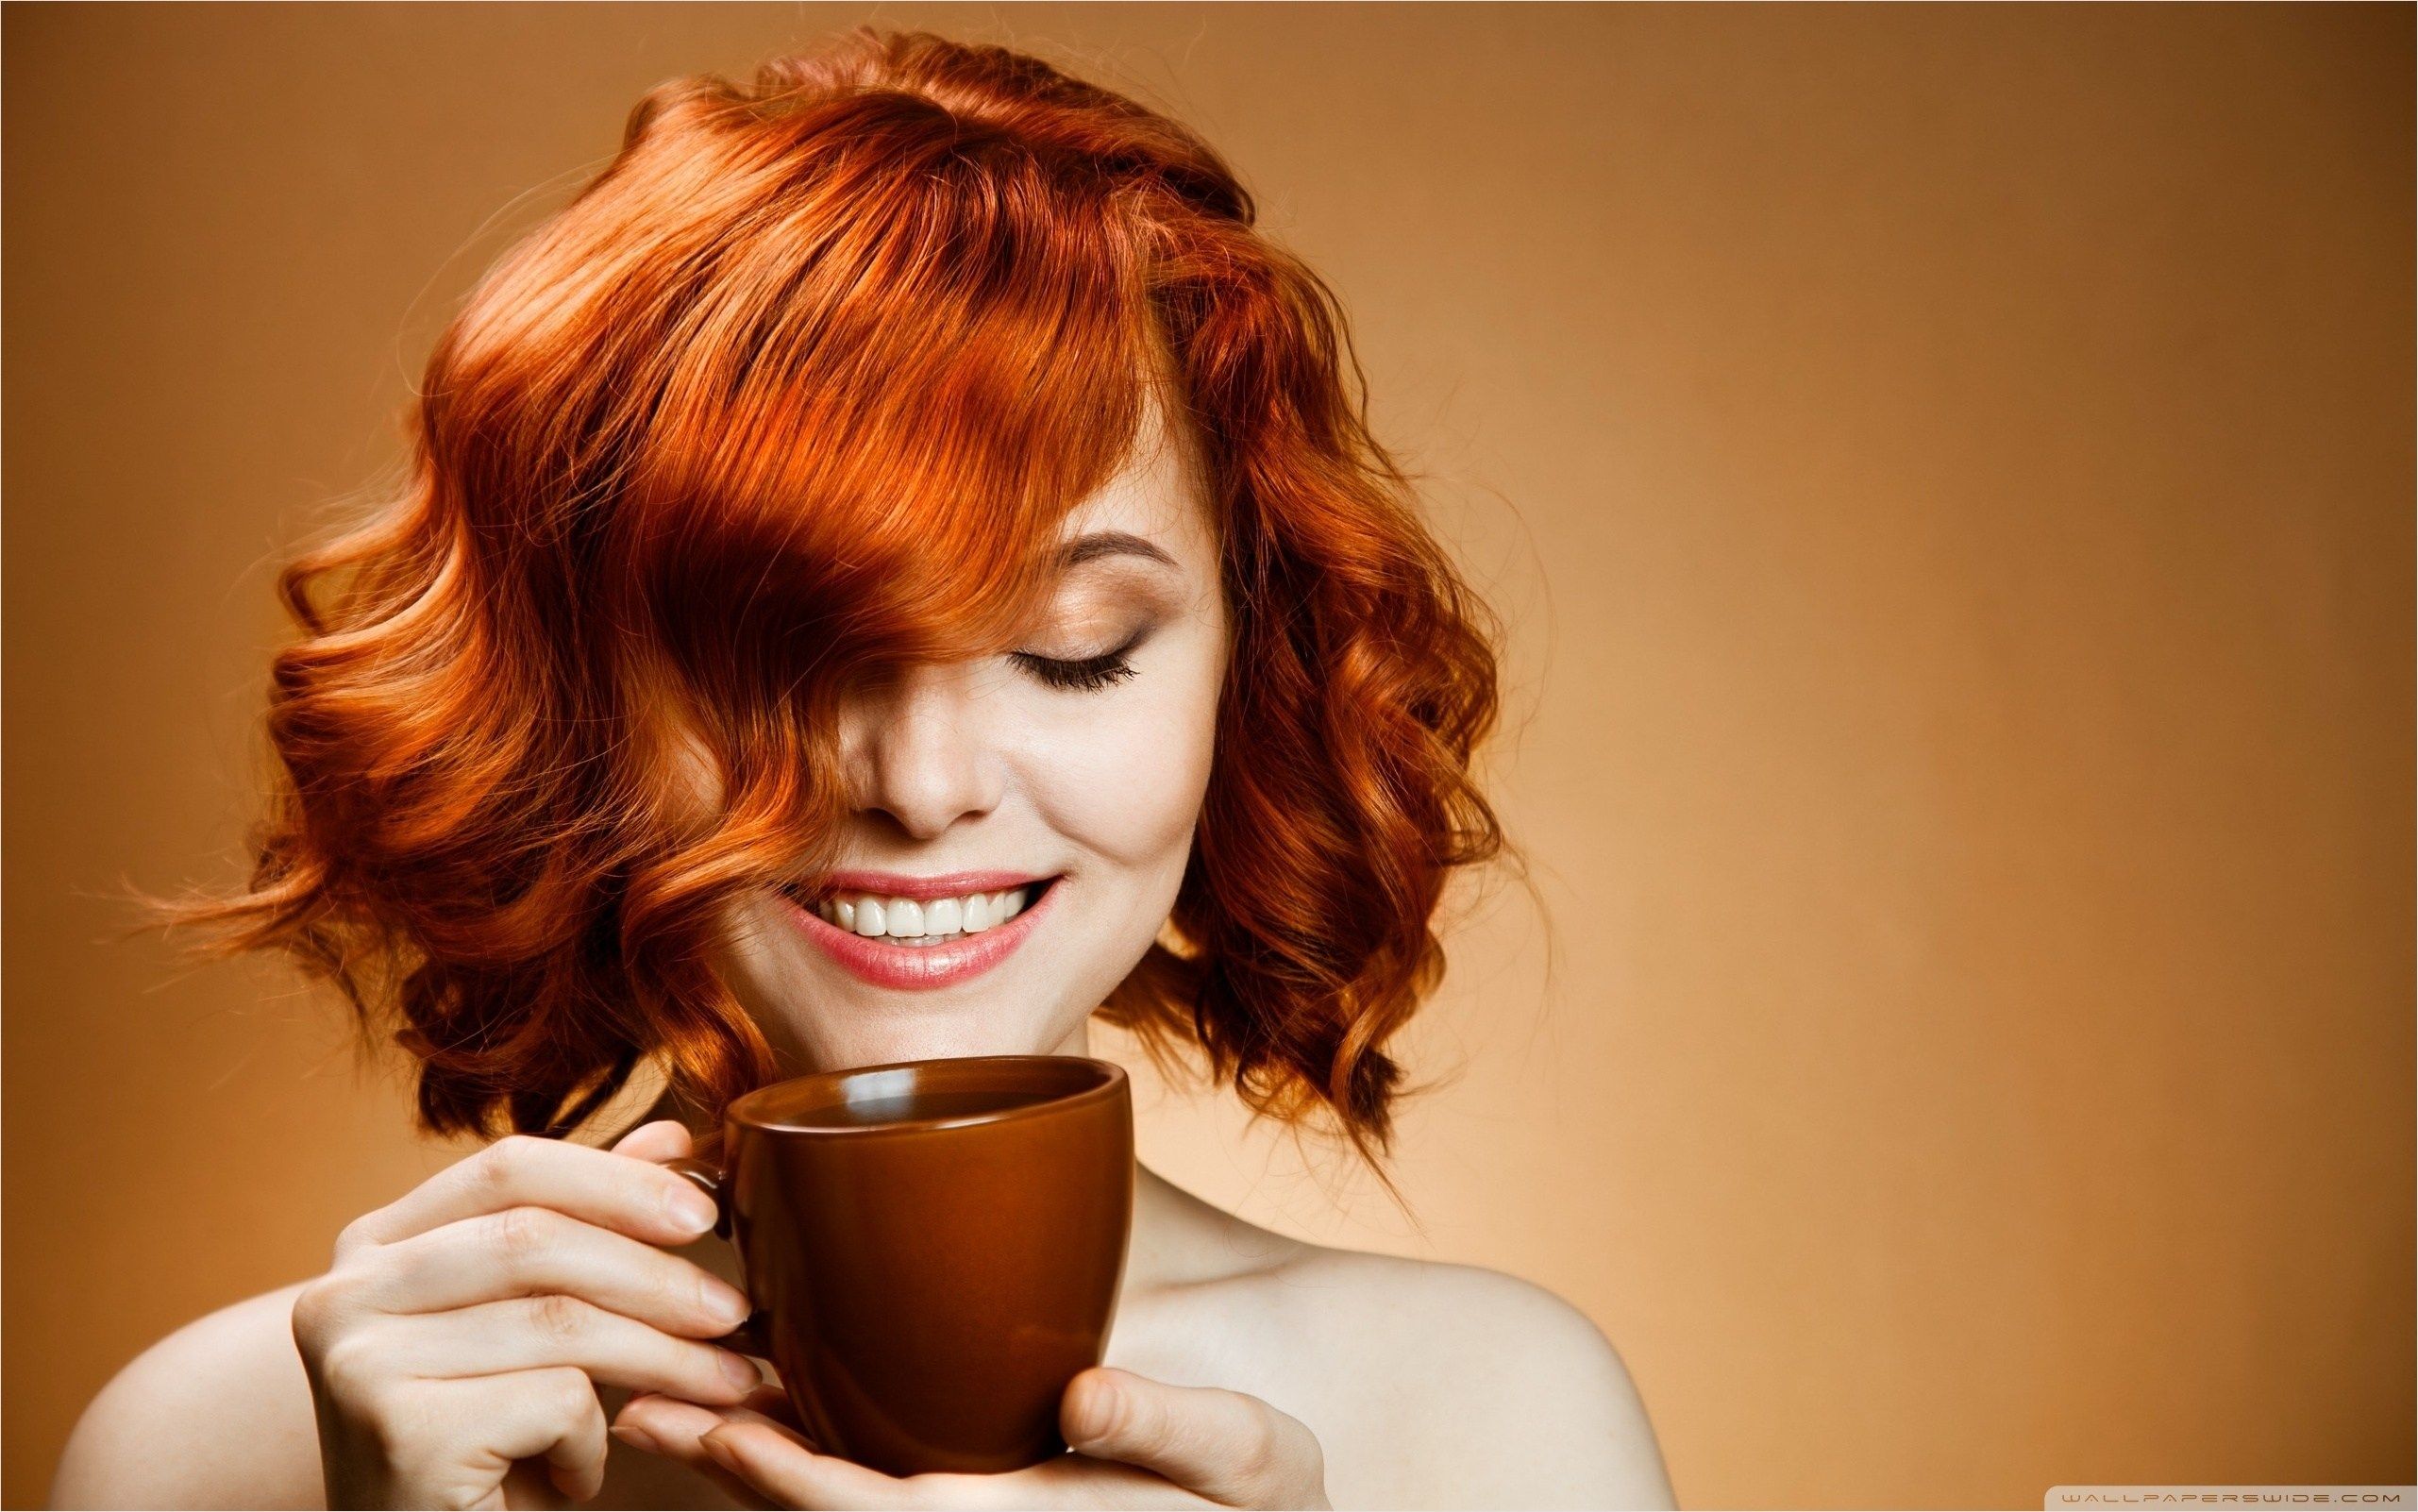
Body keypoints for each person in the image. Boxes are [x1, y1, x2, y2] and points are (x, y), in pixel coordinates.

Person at [51, 26, 1676, 1511]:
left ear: (1240, 685)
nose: (921, 780)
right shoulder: (204, 1453)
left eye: (1073, 647)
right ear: (568, 701)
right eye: (789, 654)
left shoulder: (1495, 1426)